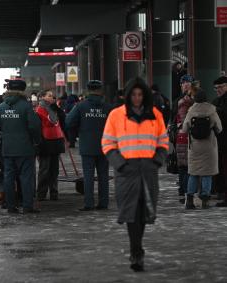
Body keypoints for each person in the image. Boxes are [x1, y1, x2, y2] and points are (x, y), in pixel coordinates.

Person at [101, 77, 168, 272]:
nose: (137, 98)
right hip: (127, 171)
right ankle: (136, 252)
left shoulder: (155, 115)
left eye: (140, 94)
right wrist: (120, 165)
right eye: (133, 94)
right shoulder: (115, 115)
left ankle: (137, 250)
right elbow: (107, 143)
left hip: (148, 170)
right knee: (130, 213)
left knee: (145, 212)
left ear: (145, 95)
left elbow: (163, 142)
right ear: (128, 95)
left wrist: (157, 161)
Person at [0, 79, 41, 214]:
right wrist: (37, 141)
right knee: (26, 178)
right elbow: (34, 126)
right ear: (22, 91)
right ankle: (27, 206)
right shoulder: (26, 106)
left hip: (7, 149)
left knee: (8, 177)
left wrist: (4, 135)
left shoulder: (0, 107)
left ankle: (11, 206)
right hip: (25, 148)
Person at [66, 80, 112, 210]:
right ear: (101, 90)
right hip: (105, 145)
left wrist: (79, 129)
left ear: (88, 90)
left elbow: (69, 122)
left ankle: (89, 204)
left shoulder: (81, 106)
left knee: (88, 176)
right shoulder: (108, 107)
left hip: (87, 145)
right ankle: (103, 203)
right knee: (103, 175)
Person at [182, 91, 222, 209]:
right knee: (207, 173)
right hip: (209, 146)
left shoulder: (191, 111)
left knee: (193, 173)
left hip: (195, 147)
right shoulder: (212, 111)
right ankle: (205, 201)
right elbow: (219, 128)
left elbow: (184, 129)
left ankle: (190, 200)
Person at [36, 90, 65, 201]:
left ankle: (54, 192)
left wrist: (57, 109)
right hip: (46, 141)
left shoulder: (53, 108)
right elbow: (51, 121)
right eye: (49, 95)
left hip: (56, 140)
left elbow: (62, 120)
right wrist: (53, 110)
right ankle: (41, 193)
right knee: (45, 169)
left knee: (54, 169)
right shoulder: (40, 109)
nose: (52, 97)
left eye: (52, 95)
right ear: (42, 97)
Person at [170, 74, 194, 204]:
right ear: (181, 85)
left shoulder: (193, 99)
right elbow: (173, 117)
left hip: (188, 136)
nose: (186, 85)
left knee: (187, 164)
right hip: (180, 136)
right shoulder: (177, 101)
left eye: (188, 83)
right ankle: (184, 190)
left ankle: (186, 190)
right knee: (183, 164)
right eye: (184, 83)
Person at [212, 76, 227, 206]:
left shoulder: (217, 103)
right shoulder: (216, 101)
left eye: (221, 87)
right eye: (216, 88)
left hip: (223, 139)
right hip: (219, 140)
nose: (218, 90)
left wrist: (217, 111)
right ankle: (221, 192)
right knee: (220, 168)